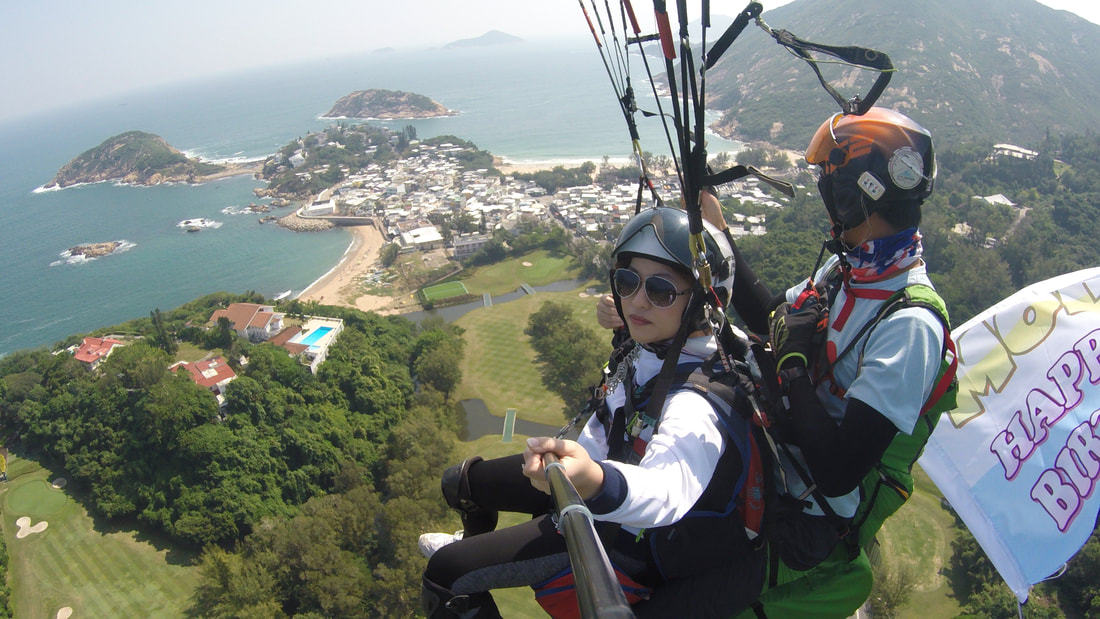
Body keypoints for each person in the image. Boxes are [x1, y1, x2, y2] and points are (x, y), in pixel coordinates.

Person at [598, 107, 948, 613]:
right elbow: (773, 322)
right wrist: (720, 238)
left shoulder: (909, 325)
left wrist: (793, 368)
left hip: (804, 517)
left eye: (832, 188)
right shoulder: (846, 272)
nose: (829, 204)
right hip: (770, 458)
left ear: (850, 198)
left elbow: (837, 472)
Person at [419, 206, 769, 618]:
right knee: (460, 483)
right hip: (598, 481)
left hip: (629, 533)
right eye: (627, 281)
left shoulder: (699, 401)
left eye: (660, 291)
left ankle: (468, 558)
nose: (636, 301)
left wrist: (595, 481)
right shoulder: (658, 344)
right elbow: (625, 387)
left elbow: (668, 488)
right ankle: (471, 540)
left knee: (446, 575)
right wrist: (623, 320)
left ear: (702, 306)